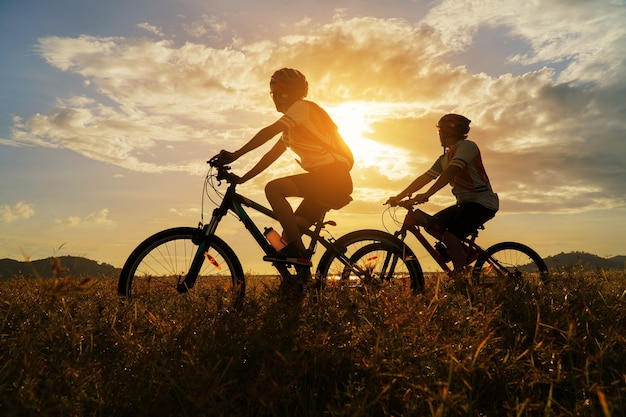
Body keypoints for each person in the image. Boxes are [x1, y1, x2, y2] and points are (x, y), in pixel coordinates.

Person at [211, 68, 354, 266]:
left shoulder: (302, 108)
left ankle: (298, 252)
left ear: (288, 93)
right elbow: (270, 156)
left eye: (278, 93)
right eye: (274, 94)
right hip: (327, 181)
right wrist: (243, 178)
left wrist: (235, 155)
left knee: (273, 188)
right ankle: (299, 278)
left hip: (332, 178)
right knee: (289, 235)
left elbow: (268, 132)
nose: (276, 98)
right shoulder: (293, 126)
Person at [385, 114, 498, 276]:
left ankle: (462, 280)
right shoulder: (444, 158)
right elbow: (425, 177)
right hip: (465, 204)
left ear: (448, 132)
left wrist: (427, 194)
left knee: (451, 237)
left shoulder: (467, 146)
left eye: (440, 132)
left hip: (482, 203)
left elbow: (452, 171)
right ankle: (463, 254)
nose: (439, 136)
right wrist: (399, 196)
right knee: (432, 225)